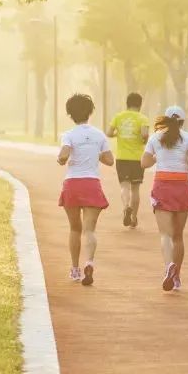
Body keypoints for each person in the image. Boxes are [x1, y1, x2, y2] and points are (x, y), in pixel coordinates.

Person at [141, 105, 188, 292]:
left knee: (165, 234)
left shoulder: (155, 138)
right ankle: (177, 277)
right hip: (182, 186)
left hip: (162, 186)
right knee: (178, 236)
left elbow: (144, 163)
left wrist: (159, 156)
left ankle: (168, 266)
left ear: (165, 120)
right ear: (182, 121)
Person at [57, 93, 114, 286]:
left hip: (73, 183)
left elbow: (64, 154)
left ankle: (75, 269)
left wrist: (61, 158)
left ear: (70, 114)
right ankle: (89, 262)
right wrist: (93, 154)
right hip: (91, 183)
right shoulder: (99, 135)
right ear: (90, 112)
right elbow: (109, 160)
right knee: (89, 230)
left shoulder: (68, 135)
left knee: (75, 228)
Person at [108, 92, 150, 228]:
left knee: (124, 186)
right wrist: (144, 140)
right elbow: (144, 134)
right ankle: (133, 218)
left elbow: (108, 133)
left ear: (127, 103)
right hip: (138, 158)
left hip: (122, 157)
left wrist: (118, 134)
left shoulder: (119, 117)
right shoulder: (143, 118)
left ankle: (126, 206)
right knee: (135, 189)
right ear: (140, 105)